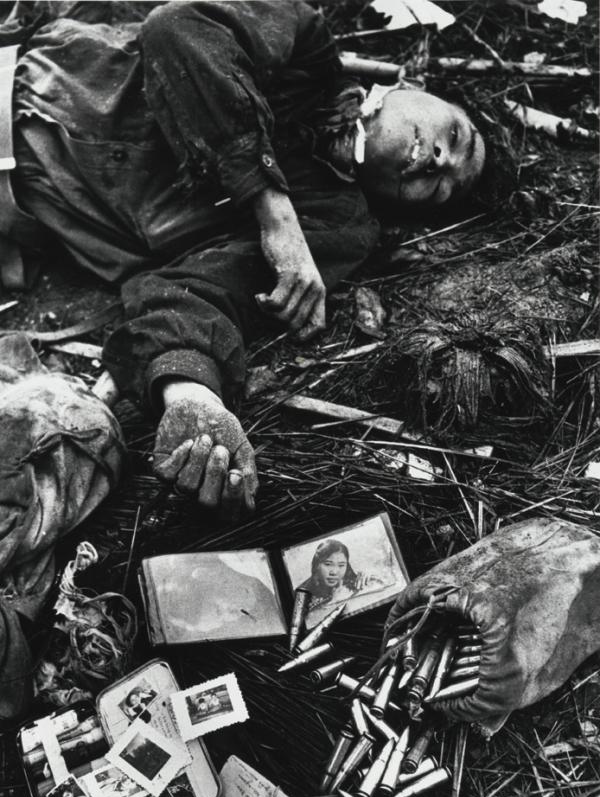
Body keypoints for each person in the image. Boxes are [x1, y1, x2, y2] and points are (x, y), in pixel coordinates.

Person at [1, 1, 486, 521]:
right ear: (414, 88)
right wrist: (273, 211)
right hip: (18, 87)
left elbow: (204, 290)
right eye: (456, 135)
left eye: (441, 188)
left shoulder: (336, 225)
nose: (440, 159)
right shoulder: (304, 45)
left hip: (15, 207)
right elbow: (177, 27)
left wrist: (191, 398)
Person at [296, 539, 386, 612]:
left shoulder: (356, 582)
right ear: (317, 565)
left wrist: (371, 578)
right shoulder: (301, 594)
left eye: (341, 565)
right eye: (328, 564)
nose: (334, 572)